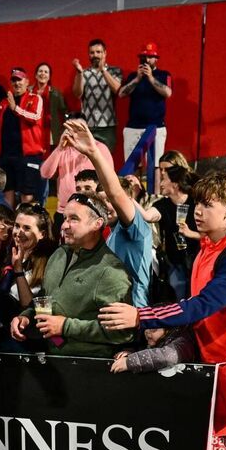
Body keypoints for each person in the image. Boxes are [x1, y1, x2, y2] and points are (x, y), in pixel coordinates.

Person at [101, 178, 226, 364]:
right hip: (209, 361)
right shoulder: (207, 248)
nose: (198, 210)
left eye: (207, 205)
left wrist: (140, 316)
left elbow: (202, 305)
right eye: (198, 202)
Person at [9, 191, 132, 357]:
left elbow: (122, 333)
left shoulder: (110, 271)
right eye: (65, 218)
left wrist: (66, 326)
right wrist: (26, 317)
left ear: (97, 224)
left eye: (73, 219)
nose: (64, 225)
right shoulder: (58, 254)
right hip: (54, 362)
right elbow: (45, 301)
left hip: (90, 368)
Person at [65, 119, 154, 308]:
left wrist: (93, 153)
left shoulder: (136, 229)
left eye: (109, 201)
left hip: (132, 314)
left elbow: (115, 194)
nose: (106, 206)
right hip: (110, 314)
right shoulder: (111, 231)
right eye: (101, 201)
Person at [0, 68, 45, 205]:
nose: (17, 83)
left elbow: (35, 117)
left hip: (27, 156)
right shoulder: (4, 102)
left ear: (27, 82)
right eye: (14, 80)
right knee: (6, 194)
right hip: (6, 155)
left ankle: (27, 223)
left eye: (20, 80)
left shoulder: (35, 98)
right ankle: (8, 225)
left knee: (27, 197)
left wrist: (15, 108)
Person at [40, 112, 111, 217]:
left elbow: (109, 178)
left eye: (79, 128)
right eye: (71, 128)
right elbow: (45, 174)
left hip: (92, 209)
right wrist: (59, 148)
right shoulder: (63, 149)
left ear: (87, 130)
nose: (75, 133)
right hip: (65, 210)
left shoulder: (100, 148)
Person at [119, 42, 172, 165]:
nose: (147, 60)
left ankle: (156, 185)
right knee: (131, 166)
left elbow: (168, 93)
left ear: (156, 59)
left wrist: (151, 78)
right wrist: (137, 79)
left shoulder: (163, 75)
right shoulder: (133, 76)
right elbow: (122, 94)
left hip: (156, 126)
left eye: (150, 57)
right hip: (134, 127)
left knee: (156, 166)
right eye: (144, 57)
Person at [153, 157, 198, 300]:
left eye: (167, 171)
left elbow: (211, 233)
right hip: (174, 259)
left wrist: (191, 233)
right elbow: (149, 215)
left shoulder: (196, 200)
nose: (162, 175)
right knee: (178, 289)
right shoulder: (163, 204)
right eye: (161, 170)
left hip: (196, 255)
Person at [72, 38, 123, 150]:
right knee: (87, 162)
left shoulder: (115, 71)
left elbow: (117, 90)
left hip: (108, 126)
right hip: (88, 125)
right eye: (92, 52)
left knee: (106, 161)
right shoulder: (84, 72)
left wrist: (103, 70)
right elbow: (77, 94)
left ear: (105, 53)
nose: (95, 55)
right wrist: (79, 73)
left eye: (98, 52)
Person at [5, 203, 56, 313]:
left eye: (27, 228)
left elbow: (33, 308)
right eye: (17, 226)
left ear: (42, 234)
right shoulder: (8, 251)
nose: (19, 233)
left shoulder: (50, 264)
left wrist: (18, 270)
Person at [33, 62, 67, 151]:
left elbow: (64, 113)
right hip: (33, 133)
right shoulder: (29, 92)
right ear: (36, 75)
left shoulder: (56, 94)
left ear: (49, 76)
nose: (43, 74)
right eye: (40, 71)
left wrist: (61, 131)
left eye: (46, 72)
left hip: (51, 134)